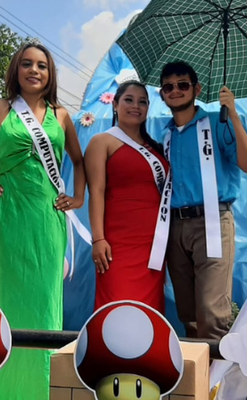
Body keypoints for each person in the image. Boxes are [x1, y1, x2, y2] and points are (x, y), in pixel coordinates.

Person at [0, 41, 87, 400]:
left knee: (44, 299)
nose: (34, 70)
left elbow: (79, 160)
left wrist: (77, 198)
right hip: (9, 214)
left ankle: (38, 388)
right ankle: (4, 390)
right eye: (27, 64)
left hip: (47, 218)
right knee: (7, 296)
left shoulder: (61, 115)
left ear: (50, 74)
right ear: (16, 69)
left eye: (42, 66)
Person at [158, 61, 247, 340]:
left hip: (212, 222)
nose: (175, 90)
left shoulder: (218, 122)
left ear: (197, 89)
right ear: (162, 94)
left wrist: (234, 114)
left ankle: (218, 383)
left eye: (182, 85)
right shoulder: (164, 136)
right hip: (175, 227)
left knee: (211, 313)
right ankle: (197, 380)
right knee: (187, 313)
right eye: (168, 87)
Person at [85, 80, 169, 314]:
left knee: (149, 311)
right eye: (129, 100)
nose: (136, 106)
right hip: (117, 243)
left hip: (153, 243)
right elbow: (97, 192)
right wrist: (98, 239)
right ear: (115, 105)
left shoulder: (157, 148)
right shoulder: (102, 142)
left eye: (142, 102)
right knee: (116, 306)